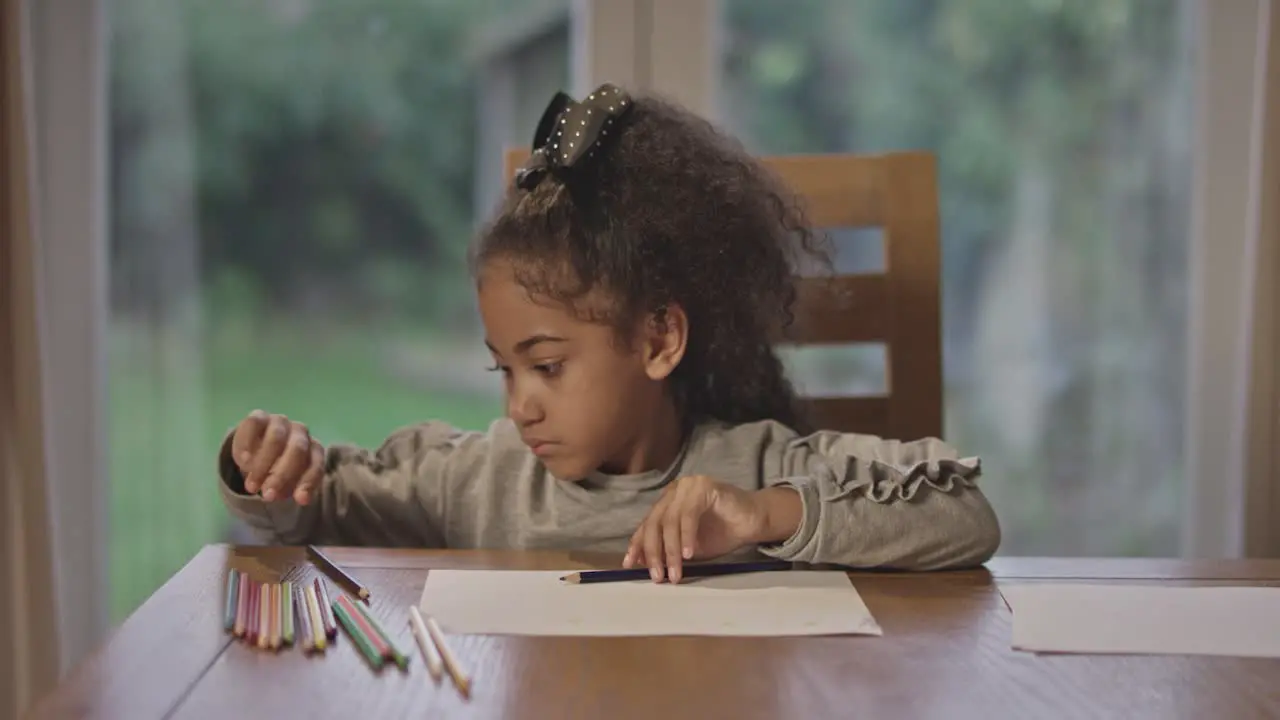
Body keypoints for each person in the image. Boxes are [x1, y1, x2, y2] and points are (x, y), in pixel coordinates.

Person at [217, 83, 1001, 583]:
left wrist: (765, 516)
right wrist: (270, 470)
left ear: (660, 339)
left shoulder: (753, 466)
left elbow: (966, 514)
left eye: (548, 367)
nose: (520, 406)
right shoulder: (481, 482)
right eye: (505, 371)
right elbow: (316, 508)